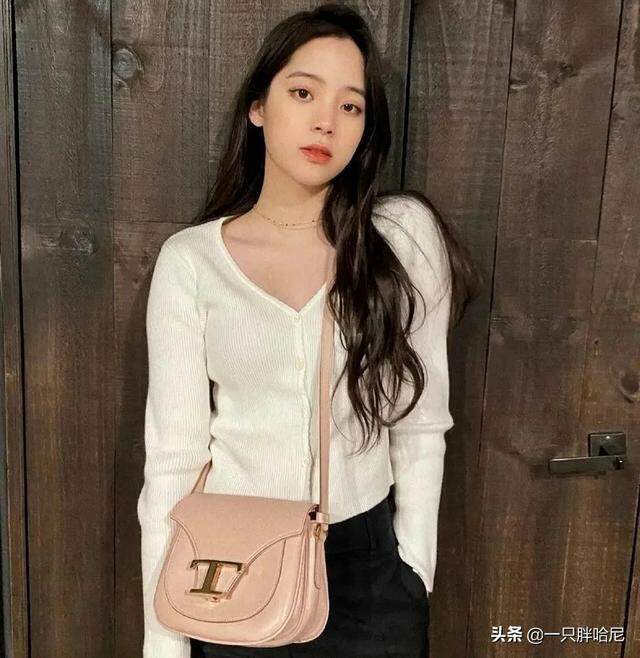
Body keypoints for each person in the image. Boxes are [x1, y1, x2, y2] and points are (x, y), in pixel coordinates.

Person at [137, 4, 482, 658]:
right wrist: (166, 640)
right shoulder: (192, 261)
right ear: (258, 107)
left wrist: (414, 570)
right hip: (235, 566)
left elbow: (421, 423)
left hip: (369, 574)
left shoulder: (400, 239)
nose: (326, 120)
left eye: (351, 106)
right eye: (303, 93)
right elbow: (174, 462)